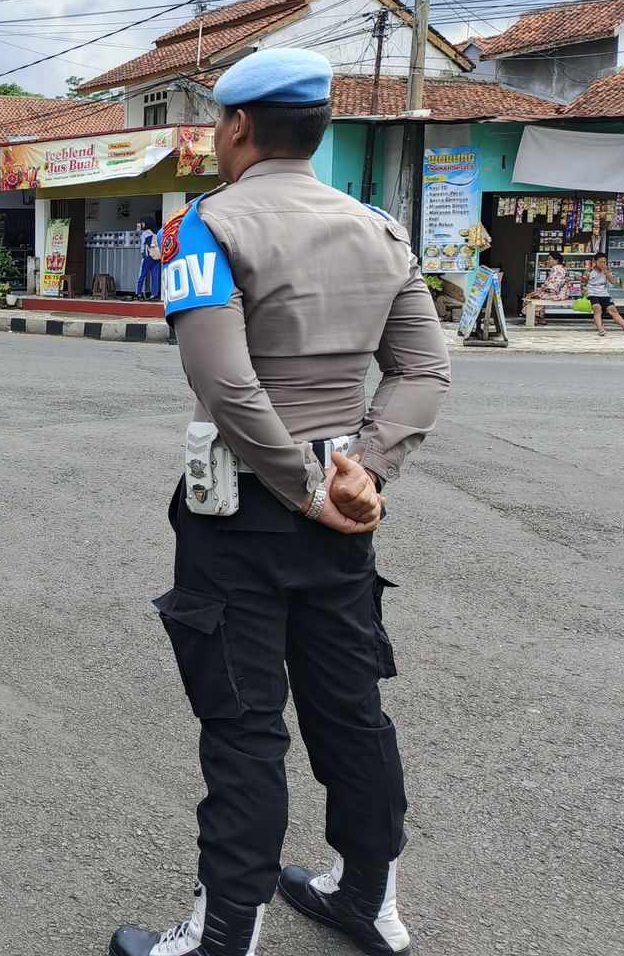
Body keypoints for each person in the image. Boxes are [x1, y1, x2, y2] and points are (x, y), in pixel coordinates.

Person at [109, 49, 450, 956]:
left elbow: (226, 383)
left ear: (238, 127)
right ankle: (369, 901)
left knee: (244, 724)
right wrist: (361, 473)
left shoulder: (202, 229)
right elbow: (423, 368)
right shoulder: (379, 228)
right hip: (347, 510)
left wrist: (302, 490)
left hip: (242, 515)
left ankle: (225, 933)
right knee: (352, 708)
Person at [585, 254, 624, 337]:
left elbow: (613, 281)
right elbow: (583, 283)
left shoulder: (607, 270)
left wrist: (606, 272)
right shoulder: (589, 271)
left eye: (604, 262)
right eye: (600, 262)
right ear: (595, 262)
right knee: (597, 308)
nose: (602, 263)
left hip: (604, 294)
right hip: (592, 294)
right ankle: (600, 329)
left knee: (613, 309)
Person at [521, 252, 573, 327]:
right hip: (562, 293)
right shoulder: (562, 268)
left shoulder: (556, 269)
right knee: (537, 295)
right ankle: (539, 317)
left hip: (556, 293)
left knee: (530, 296)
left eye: (549, 259)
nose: (548, 261)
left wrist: (543, 289)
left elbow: (553, 285)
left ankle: (534, 317)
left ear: (556, 260)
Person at [137, 216, 160, 300]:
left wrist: (143, 255)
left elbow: (143, 246)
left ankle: (139, 294)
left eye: (143, 222)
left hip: (147, 257)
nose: (142, 224)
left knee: (142, 275)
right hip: (157, 257)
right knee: (155, 276)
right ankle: (154, 294)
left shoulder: (145, 233)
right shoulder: (158, 232)